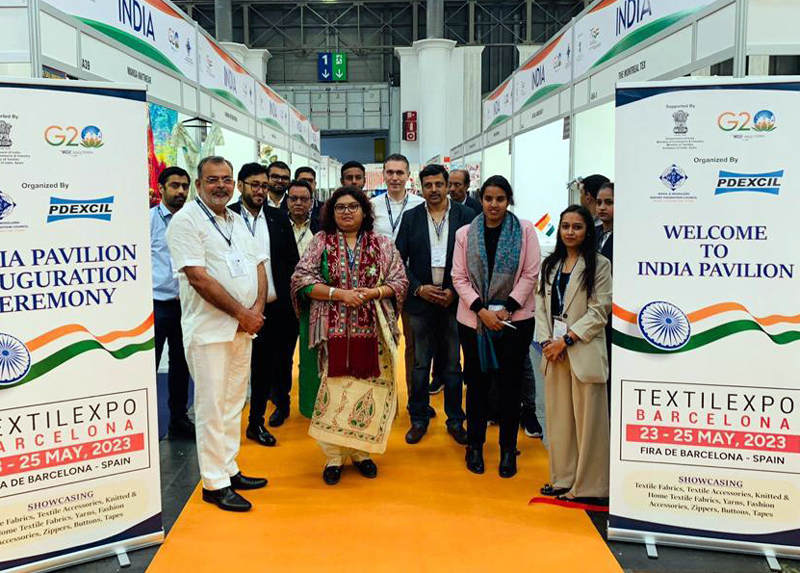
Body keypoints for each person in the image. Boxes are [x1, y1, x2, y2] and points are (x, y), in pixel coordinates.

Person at [166, 156, 268, 512]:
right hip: (210, 330)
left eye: (226, 179)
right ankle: (213, 482)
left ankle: (229, 467)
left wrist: (256, 311)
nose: (221, 185)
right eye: (213, 180)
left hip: (243, 328)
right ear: (198, 185)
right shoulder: (185, 222)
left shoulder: (237, 220)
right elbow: (197, 277)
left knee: (233, 401)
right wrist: (242, 313)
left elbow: (257, 265)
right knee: (211, 406)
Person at [291, 187, 408, 486]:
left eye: (353, 206)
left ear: (364, 211)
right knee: (332, 395)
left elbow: (399, 280)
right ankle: (333, 457)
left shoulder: (382, 243)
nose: (346, 212)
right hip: (331, 334)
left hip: (373, 335)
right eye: (340, 207)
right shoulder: (321, 242)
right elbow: (301, 279)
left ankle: (362, 454)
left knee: (368, 393)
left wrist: (375, 292)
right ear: (331, 212)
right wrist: (338, 294)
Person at [451, 175, 541, 478]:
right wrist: (481, 310)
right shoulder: (465, 233)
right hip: (473, 322)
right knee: (475, 384)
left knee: (509, 385)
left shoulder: (525, 230)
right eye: (488, 198)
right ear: (481, 199)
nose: (493, 204)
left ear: (508, 200)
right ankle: (474, 446)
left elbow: (530, 274)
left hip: (514, 322)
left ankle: (507, 450)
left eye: (500, 199)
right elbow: (459, 276)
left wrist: (506, 310)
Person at [535, 205, 612, 504]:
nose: (569, 232)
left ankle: (591, 486)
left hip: (582, 349)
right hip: (554, 352)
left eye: (577, 227)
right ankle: (563, 478)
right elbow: (541, 306)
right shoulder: (549, 264)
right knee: (560, 421)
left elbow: (599, 310)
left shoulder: (600, 265)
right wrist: (546, 342)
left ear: (587, 231)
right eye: (565, 226)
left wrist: (566, 339)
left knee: (589, 423)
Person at [396, 164, 472, 446]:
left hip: (454, 303)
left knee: (452, 364)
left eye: (439, 184)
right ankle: (418, 419)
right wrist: (418, 288)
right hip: (420, 302)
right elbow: (397, 260)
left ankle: (455, 420)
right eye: (428, 185)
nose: (435, 190)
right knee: (419, 365)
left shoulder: (466, 216)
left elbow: (472, 259)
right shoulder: (411, 218)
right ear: (421, 187)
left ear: (447, 185)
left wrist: (454, 290)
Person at [230, 163, 300, 439]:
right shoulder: (227, 217)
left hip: (276, 307)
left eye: (264, 186)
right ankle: (227, 426)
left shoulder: (278, 218)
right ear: (240, 186)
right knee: (235, 370)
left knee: (268, 366)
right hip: (235, 308)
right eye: (254, 185)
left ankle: (256, 422)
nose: (260, 190)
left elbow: (292, 261)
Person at [151, 166, 194, 439]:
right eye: (175, 185)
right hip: (155, 305)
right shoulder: (148, 220)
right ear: (161, 188)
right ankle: (145, 421)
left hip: (186, 305)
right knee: (149, 364)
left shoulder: (192, 221)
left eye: (184, 186)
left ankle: (178, 419)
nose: (180, 191)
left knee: (182, 364)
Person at [371, 154, 423, 241]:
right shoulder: (373, 205)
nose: (394, 178)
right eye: (390, 172)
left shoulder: (420, 203)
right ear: (383, 174)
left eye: (400, 173)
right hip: (381, 253)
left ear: (408, 175)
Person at [595, 181, 614, 412]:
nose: (602, 207)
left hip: (613, 313)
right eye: (599, 202)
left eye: (609, 202)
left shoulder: (628, 237)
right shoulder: (595, 233)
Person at [286, 179, 320, 256]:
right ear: (287, 201)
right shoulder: (278, 225)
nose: (298, 203)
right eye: (294, 199)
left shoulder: (319, 226)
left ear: (311, 203)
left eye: (304, 199)